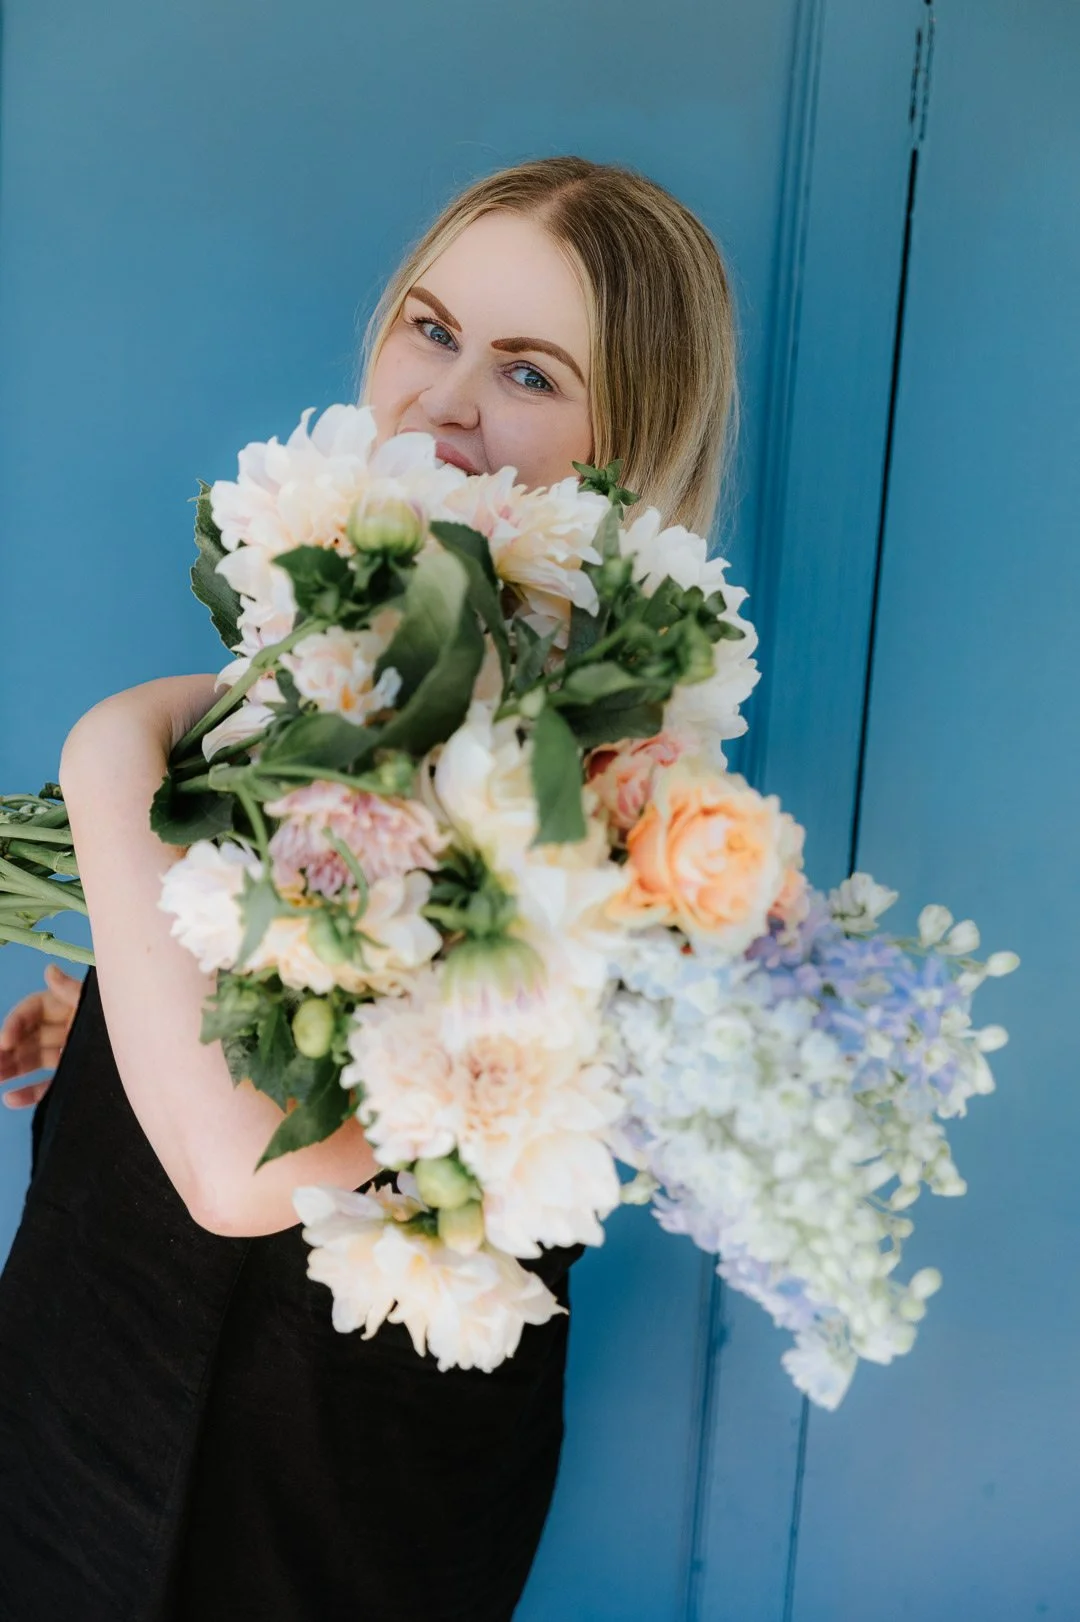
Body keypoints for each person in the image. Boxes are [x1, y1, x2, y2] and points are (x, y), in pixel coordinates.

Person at [0, 154, 739, 1620]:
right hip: (88, 1370)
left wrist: (113, 747)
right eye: (431, 327)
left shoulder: (620, 771)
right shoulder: (343, 642)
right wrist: (119, 1002)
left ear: (628, 441)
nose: (448, 399)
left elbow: (248, 1170)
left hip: (323, 1490)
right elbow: (304, 1021)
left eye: (529, 370)